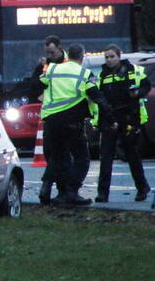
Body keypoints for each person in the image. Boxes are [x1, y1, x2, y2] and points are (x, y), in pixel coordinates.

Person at [39, 42, 113, 207]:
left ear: (67, 54)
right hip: (72, 120)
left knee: (58, 157)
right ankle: (71, 192)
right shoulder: (84, 73)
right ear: (82, 55)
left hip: (51, 120)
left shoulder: (52, 69)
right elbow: (96, 96)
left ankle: (46, 188)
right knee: (81, 159)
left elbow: (37, 85)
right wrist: (109, 117)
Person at [94, 45, 152, 202]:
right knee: (106, 157)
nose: (109, 60)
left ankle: (142, 188)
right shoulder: (102, 75)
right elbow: (98, 97)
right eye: (106, 57)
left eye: (112, 56)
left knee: (132, 155)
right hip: (109, 118)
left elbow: (147, 85)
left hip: (128, 118)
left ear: (119, 56)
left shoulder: (133, 70)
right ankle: (102, 193)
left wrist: (138, 93)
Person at [31, 35, 67, 203]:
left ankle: (51, 188)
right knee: (53, 154)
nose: (50, 55)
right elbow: (34, 85)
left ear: (60, 48)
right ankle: (60, 190)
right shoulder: (45, 66)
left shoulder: (68, 65)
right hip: (50, 116)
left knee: (60, 155)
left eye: (52, 52)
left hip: (66, 115)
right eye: (48, 53)